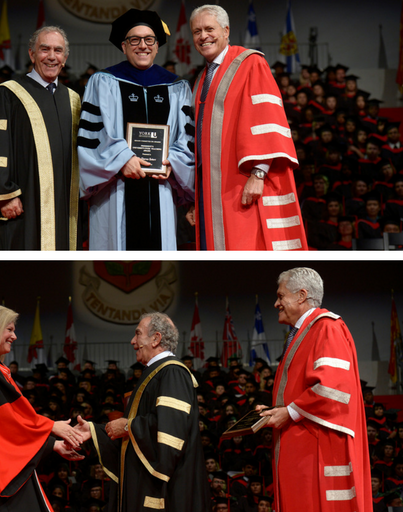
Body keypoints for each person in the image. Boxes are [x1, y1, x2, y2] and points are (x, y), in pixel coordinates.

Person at [0, 305, 87, 511]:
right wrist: (50, 427)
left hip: (5, 467)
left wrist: (53, 445)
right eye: (9, 329)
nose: (14, 336)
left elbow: (4, 426)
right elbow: (1, 418)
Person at [190, 5, 308, 250]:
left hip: (240, 180)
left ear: (226, 30)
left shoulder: (250, 63)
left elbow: (267, 119)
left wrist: (259, 174)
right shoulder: (202, 78)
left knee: (246, 246)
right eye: (197, 31)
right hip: (210, 187)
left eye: (209, 29)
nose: (203, 36)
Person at [79, 9, 195, 250]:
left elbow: (187, 137)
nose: (142, 45)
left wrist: (173, 161)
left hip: (160, 188)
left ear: (157, 46)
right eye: (135, 40)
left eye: (149, 39)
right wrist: (122, 158)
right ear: (124, 46)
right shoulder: (103, 82)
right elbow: (93, 133)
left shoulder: (177, 87)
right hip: (115, 189)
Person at [258, 267, 372, 511]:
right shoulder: (304, 331)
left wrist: (288, 412)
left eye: (281, 296)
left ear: (301, 296)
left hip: (319, 446)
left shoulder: (327, 327)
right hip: (302, 442)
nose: (276, 303)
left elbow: (333, 388)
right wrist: (276, 410)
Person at [79, 312, 209, 512]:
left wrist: (127, 425)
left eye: (137, 334)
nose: (132, 341)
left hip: (166, 491)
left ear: (156, 338)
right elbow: (139, 432)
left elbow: (170, 431)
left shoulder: (172, 372)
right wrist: (95, 430)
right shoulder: (157, 372)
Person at [0, 26, 81, 250]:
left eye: (58, 51)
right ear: (32, 54)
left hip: (64, 206)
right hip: (24, 204)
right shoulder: (8, 93)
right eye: (44, 49)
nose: (52, 56)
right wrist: (4, 194)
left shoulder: (74, 100)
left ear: (65, 58)